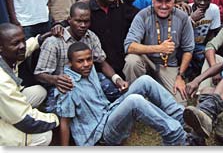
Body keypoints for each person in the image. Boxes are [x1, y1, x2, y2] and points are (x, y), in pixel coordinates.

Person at [56, 42, 187, 146]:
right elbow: (65, 122)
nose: (86, 64)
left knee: (144, 81)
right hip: (100, 135)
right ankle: (174, 135)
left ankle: (183, 119)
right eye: (80, 61)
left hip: (108, 112)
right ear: (70, 63)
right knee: (134, 101)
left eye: (89, 59)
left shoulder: (89, 70)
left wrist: (118, 81)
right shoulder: (67, 85)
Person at [34, 1, 125, 111]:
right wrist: (55, 79)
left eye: (86, 21)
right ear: (69, 20)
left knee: (113, 91)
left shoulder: (91, 37)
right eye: (78, 21)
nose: (82, 25)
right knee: (55, 111)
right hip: (64, 84)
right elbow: (39, 74)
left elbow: (102, 62)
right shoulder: (53, 42)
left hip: (88, 79)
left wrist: (117, 79)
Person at [124, 0, 194, 105]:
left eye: (168, 1)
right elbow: (129, 46)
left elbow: (188, 50)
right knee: (132, 61)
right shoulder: (142, 15)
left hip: (169, 65)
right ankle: (136, 99)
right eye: (159, 1)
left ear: (174, 0)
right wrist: (159, 48)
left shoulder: (182, 18)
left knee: (180, 105)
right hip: (146, 62)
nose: (163, 5)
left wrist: (180, 76)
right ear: (152, 0)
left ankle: (157, 93)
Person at [0, 23, 59, 146]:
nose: (22, 46)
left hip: (5, 105)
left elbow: (26, 48)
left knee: (39, 91)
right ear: (1, 47)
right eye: (16, 43)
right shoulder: (3, 82)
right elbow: (27, 121)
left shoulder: (7, 57)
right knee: (45, 135)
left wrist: (40, 39)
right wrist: (56, 118)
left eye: (23, 40)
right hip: (10, 115)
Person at [89, 0, 139, 78]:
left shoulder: (120, 6)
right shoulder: (88, 11)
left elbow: (142, 16)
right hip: (100, 68)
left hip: (121, 64)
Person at [186, 0, 220, 80]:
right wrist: (192, 19)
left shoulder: (214, 9)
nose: (202, 3)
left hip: (202, 44)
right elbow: (179, 32)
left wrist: (207, 48)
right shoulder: (186, 9)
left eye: (206, 0)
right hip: (186, 44)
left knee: (205, 57)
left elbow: (213, 32)